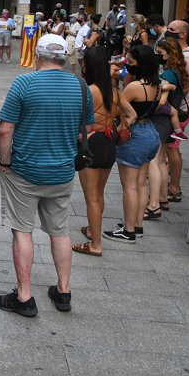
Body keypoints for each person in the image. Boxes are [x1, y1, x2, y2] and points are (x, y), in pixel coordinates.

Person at [0, 34, 93, 316]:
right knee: (60, 231)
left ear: (37, 56)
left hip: (24, 170)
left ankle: (24, 297)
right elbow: (84, 128)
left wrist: (5, 162)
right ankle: (63, 291)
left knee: (22, 231)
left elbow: (4, 130)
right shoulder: (81, 86)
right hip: (62, 172)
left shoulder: (24, 82)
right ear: (65, 58)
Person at [103, 45, 167, 243]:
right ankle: (137, 225)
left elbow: (116, 104)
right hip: (151, 133)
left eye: (130, 62)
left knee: (129, 186)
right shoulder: (157, 84)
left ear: (141, 64)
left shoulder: (134, 87)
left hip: (135, 135)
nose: (127, 66)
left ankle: (128, 230)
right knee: (141, 183)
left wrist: (112, 79)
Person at [73, 46, 121, 257]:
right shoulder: (114, 91)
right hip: (109, 141)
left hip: (93, 143)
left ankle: (95, 244)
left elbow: (83, 122)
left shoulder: (90, 90)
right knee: (99, 193)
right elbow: (127, 115)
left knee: (91, 197)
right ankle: (93, 230)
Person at [145, 39, 189, 221]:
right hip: (169, 121)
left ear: (169, 53)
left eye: (162, 53)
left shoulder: (170, 74)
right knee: (162, 160)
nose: (159, 56)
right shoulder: (179, 71)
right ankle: (163, 198)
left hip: (161, 120)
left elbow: (162, 101)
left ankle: (154, 204)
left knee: (154, 161)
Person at [162, 20, 189, 205]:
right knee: (170, 148)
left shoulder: (187, 57)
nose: (167, 32)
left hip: (180, 109)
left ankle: (174, 187)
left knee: (172, 148)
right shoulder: (180, 55)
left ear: (183, 34)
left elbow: (183, 87)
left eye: (172, 30)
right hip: (176, 108)